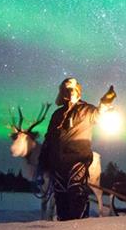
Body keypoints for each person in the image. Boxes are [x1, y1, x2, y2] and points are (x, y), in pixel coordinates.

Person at [38, 77, 115, 220]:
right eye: (66, 90)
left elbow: (98, 114)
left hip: (78, 159)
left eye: (72, 90)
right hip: (58, 163)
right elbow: (48, 139)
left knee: (76, 191)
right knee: (60, 196)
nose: (69, 93)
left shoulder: (86, 110)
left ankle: (78, 228)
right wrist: (42, 162)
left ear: (78, 91)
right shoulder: (57, 115)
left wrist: (105, 102)